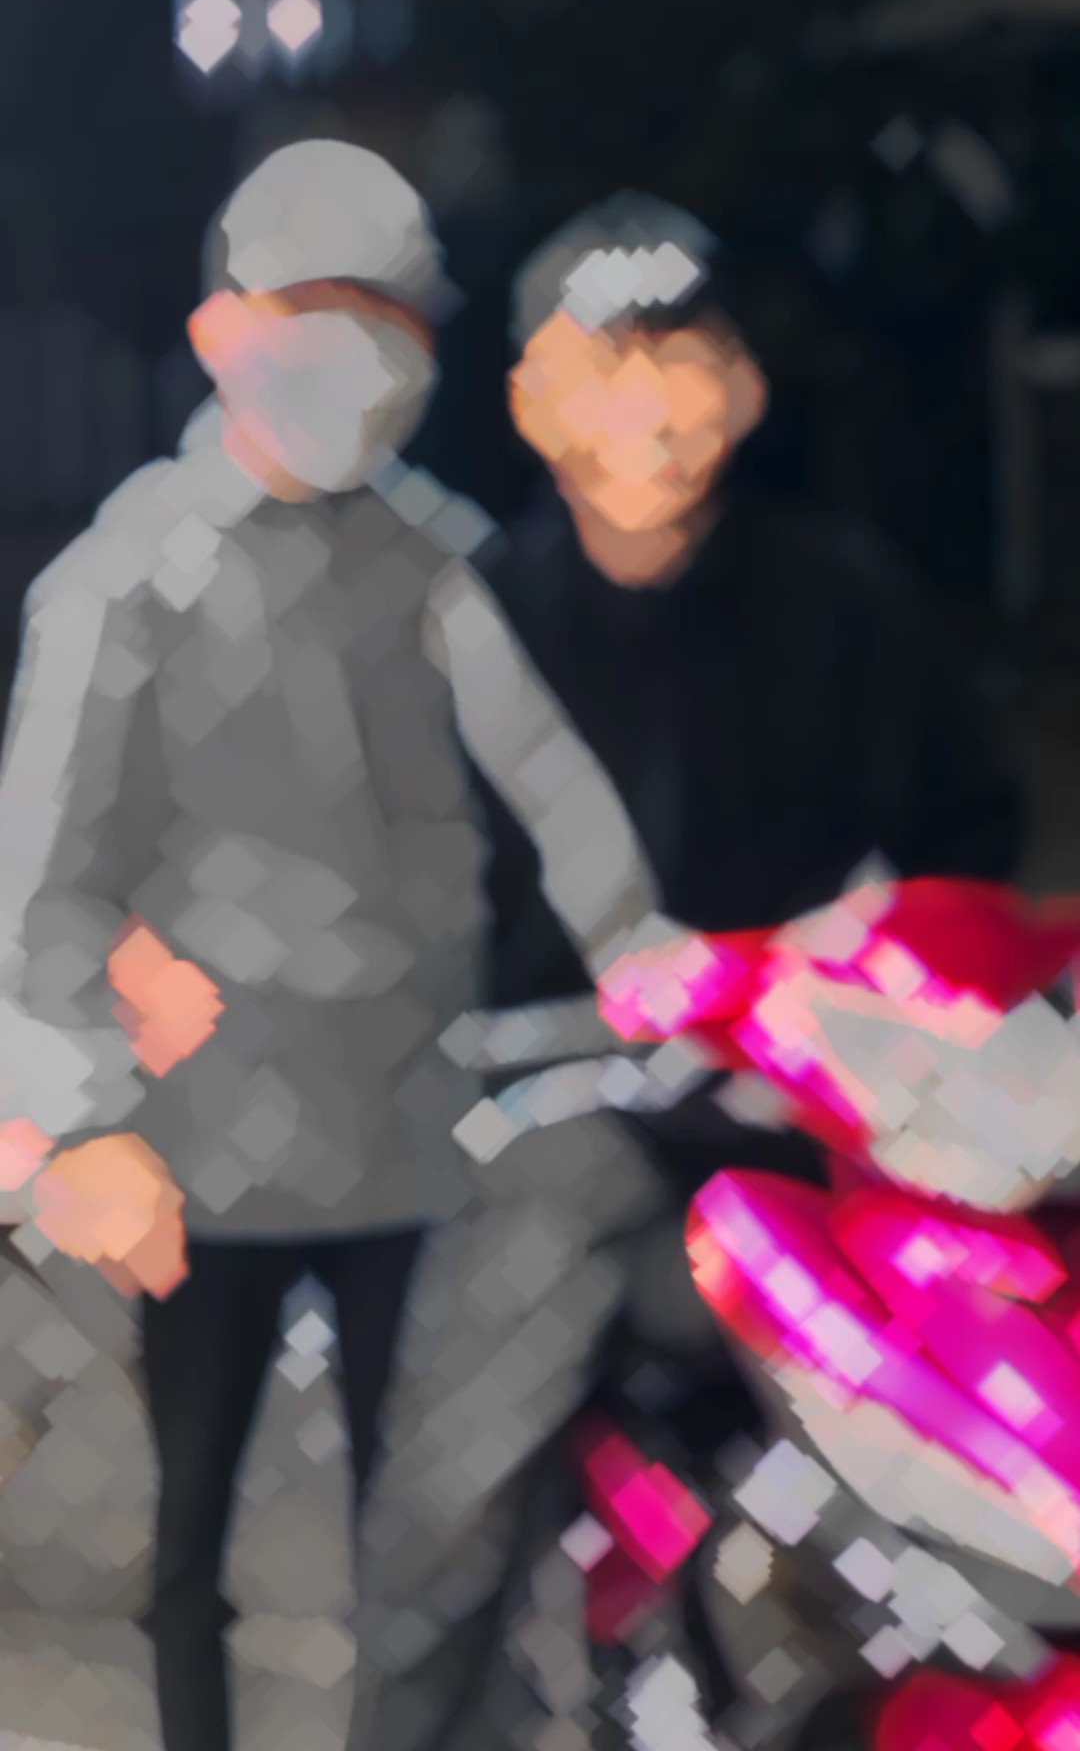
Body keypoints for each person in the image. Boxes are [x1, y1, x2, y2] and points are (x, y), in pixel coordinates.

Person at [0, 142, 672, 1751]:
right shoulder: (129, 575)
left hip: (412, 1129)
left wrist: (645, 953)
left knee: (426, 1536)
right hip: (206, 1143)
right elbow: (43, 878)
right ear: (223, 326)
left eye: (395, 313)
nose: (362, 348)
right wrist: (82, 1119)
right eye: (322, 304)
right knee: (188, 1532)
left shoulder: (432, 557)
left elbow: (548, 775)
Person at [479, 189, 1027, 1203]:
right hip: (535, 1123)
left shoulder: (848, 601)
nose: (644, 406)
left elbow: (964, 842)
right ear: (528, 402)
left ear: (745, 386)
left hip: (811, 1102)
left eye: (681, 358)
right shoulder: (463, 625)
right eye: (602, 366)